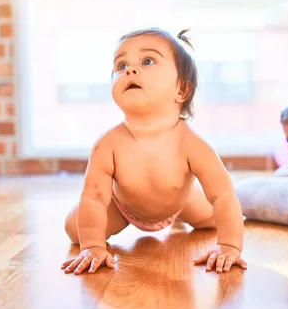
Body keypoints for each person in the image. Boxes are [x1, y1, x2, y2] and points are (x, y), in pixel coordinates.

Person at [62, 27, 247, 275]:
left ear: (181, 89)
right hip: (122, 207)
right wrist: (93, 246)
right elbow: (94, 197)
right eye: (121, 65)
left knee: (217, 219)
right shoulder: (108, 144)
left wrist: (229, 245)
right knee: (74, 230)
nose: (129, 70)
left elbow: (223, 195)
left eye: (147, 61)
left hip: (180, 202)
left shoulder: (192, 144)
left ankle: (183, 218)